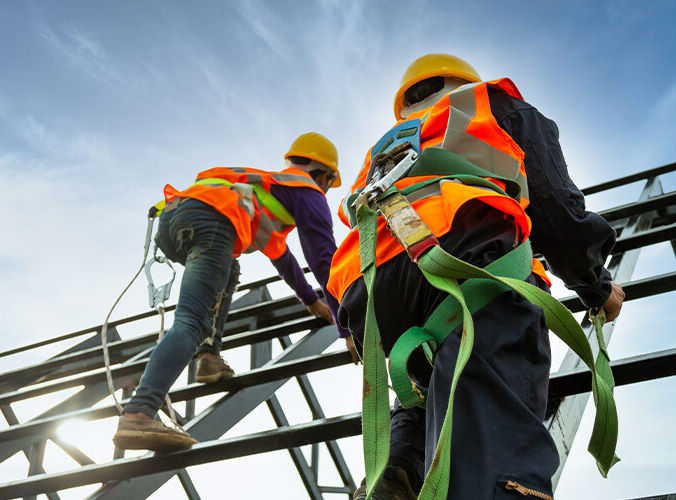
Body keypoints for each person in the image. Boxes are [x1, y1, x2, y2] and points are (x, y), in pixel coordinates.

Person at [327, 54, 625, 499]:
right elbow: (552, 204)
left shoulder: (384, 150)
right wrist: (596, 286)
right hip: (470, 254)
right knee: (492, 416)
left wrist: (349, 327)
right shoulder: (491, 102)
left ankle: (398, 468)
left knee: (428, 382)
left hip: (368, 290)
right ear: (464, 80)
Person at [113, 132, 354, 452]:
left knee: (229, 270)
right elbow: (324, 262)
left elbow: (284, 259)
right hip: (211, 222)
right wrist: (347, 328)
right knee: (191, 322)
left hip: (174, 221)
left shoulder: (266, 192)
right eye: (327, 184)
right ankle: (140, 412)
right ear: (324, 175)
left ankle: (209, 357)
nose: (325, 191)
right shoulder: (308, 191)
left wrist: (310, 300)